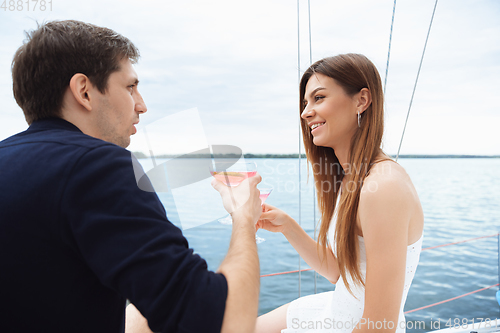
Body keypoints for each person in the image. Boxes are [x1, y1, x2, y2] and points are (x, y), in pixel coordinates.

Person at [0, 20, 262, 333]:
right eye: (130, 87)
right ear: (84, 91)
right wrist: (244, 217)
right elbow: (224, 324)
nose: (142, 105)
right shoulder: (98, 166)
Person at [255, 54, 424, 333]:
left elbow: (380, 326)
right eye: (305, 103)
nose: (305, 112)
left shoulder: (384, 187)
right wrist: (288, 226)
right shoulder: (352, 179)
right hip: (335, 310)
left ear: (361, 100)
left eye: (318, 98)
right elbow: (340, 273)